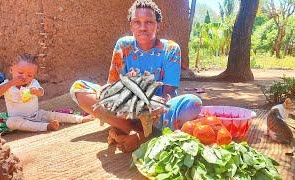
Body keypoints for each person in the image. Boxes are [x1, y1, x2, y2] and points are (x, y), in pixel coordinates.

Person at [70, 0, 202, 152]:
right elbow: (113, 84)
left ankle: (131, 130)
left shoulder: (170, 49)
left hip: (156, 111)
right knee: (78, 88)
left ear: (158, 25)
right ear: (131, 25)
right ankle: (137, 132)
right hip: (127, 108)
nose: (143, 27)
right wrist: (106, 92)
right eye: (137, 22)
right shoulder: (123, 46)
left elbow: (169, 93)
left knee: (193, 103)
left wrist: (153, 107)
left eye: (149, 22)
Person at [0, 53, 93, 132]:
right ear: (11, 70)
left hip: (37, 115)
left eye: (29, 75)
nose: (24, 77)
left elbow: (41, 92)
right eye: (20, 73)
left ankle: (80, 119)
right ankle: (46, 127)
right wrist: (11, 83)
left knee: (53, 115)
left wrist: (36, 91)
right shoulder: (7, 84)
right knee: (10, 122)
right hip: (18, 118)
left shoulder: (33, 83)